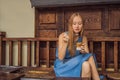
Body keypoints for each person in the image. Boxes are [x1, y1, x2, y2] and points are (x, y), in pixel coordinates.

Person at [54, 13, 103, 80]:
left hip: (76, 63)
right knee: (90, 57)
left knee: (86, 64)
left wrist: (83, 51)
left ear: (82, 25)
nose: (77, 26)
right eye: (74, 24)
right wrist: (65, 43)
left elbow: (86, 55)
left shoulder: (82, 38)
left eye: (79, 24)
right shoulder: (63, 36)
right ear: (71, 25)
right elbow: (60, 58)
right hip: (63, 65)